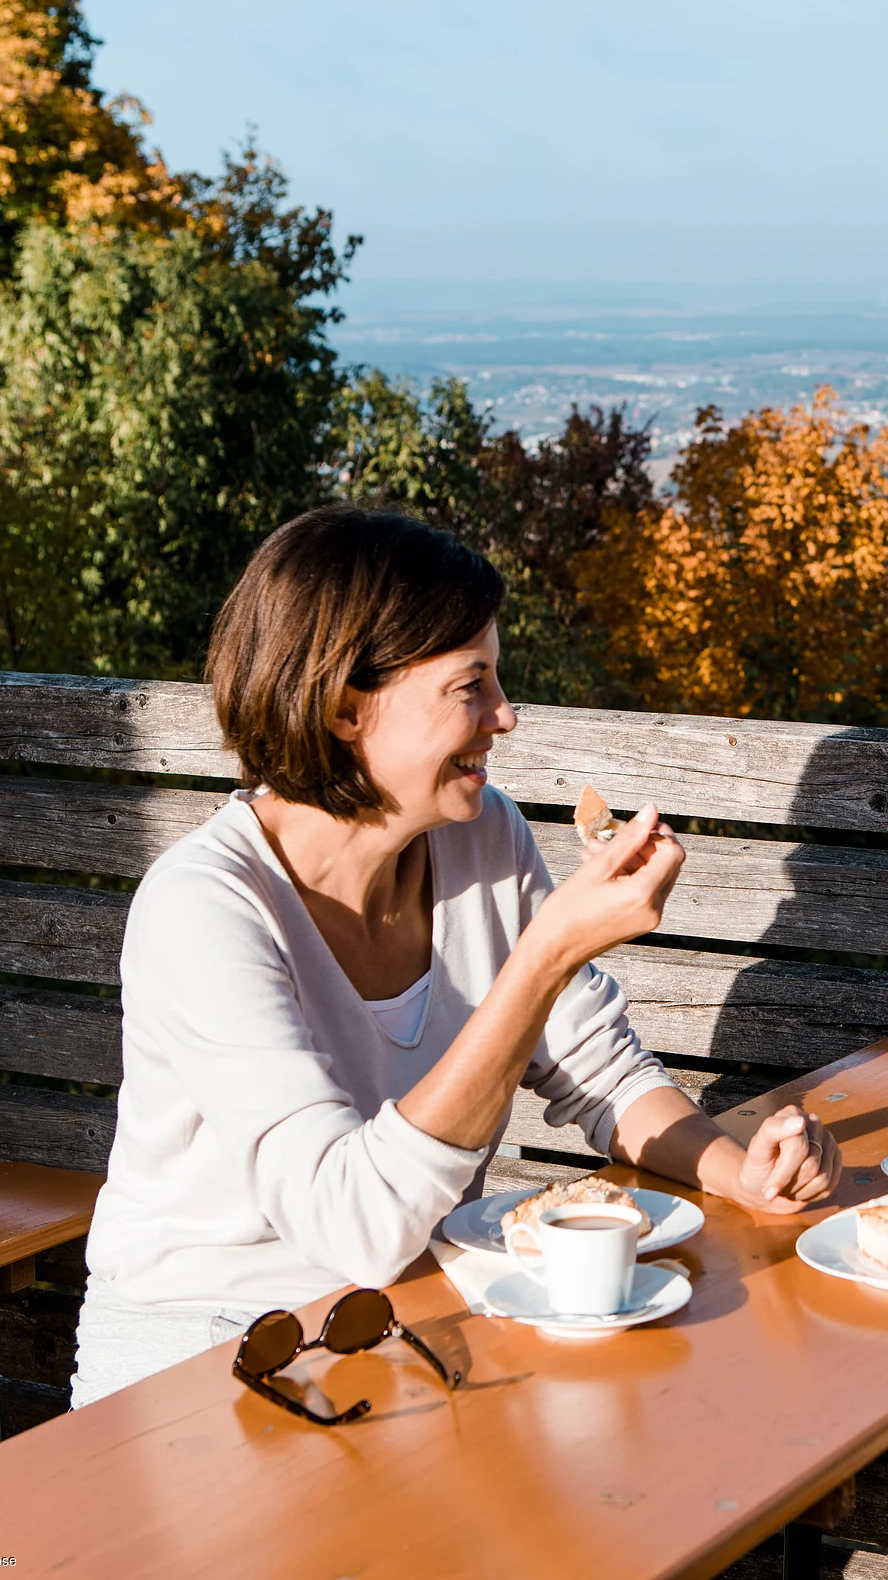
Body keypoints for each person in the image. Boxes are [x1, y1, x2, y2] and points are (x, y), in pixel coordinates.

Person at [70, 504, 842, 1407]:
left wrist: (737, 1171)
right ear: (345, 706)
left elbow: (596, 1067)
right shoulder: (206, 909)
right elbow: (355, 1222)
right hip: (206, 1359)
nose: (505, 716)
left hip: (403, 1322)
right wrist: (547, 952)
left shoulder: (480, 835)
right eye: (470, 684)